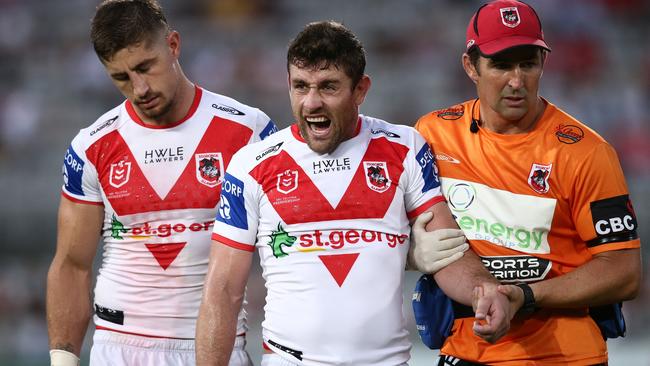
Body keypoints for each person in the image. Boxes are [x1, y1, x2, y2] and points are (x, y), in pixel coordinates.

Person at [196, 20, 517, 366]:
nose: (312, 102)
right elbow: (222, 293)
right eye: (300, 87)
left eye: (328, 87)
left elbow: (447, 251)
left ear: (361, 90)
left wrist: (484, 291)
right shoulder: (251, 165)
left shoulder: (405, 147)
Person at [46, 1, 277, 365]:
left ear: (173, 45)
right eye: (120, 78)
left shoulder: (249, 132)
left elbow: (285, 245)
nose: (139, 89)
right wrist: (63, 360)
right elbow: (72, 264)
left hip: (213, 347)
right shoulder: (91, 147)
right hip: (118, 347)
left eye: (144, 68)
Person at [414, 0, 642, 364]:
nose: (516, 81)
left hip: (563, 355)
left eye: (528, 63)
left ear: (544, 63)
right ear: (470, 66)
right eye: (501, 65)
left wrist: (526, 295)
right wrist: (416, 254)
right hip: (465, 351)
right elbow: (399, 230)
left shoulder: (586, 152)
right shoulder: (432, 134)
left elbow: (624, 272)